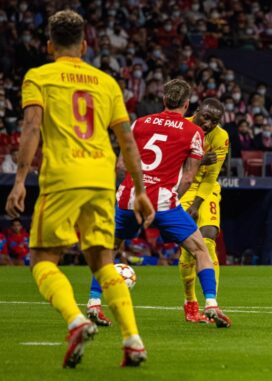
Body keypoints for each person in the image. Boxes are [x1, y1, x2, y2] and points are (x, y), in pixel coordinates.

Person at [4, 10, 155, 368]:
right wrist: (141, 190)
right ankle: (133, 341)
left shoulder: (39, 76)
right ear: (85, 45)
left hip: (63, 176)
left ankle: (75, 320)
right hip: (102, 176)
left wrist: (20, 178)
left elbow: (31, 127)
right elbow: (127, 142)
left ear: (49, 45)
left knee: (43, 259)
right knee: (103, 261)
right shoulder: (106, 83)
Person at [87, 81, 231, 329]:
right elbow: (188, 177)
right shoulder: (192, 132)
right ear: (187, 105)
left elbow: (121, 166)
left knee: (109, 249)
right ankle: (211, 305)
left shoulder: (139, 122)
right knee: (200, 250)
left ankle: (93, 303)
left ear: (164, 100)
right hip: (163, 201)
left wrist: (130, 190)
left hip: (129, 196)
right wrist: (170, 200)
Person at [178, 97, 230, 324]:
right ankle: (190, 300)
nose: (208, 124)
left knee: (209, 236)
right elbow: (171, 164)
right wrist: (197, 160)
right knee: (189, 248)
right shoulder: (181, 126)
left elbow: (211, 177)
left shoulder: (221, 137)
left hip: (206, 190)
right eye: (205, 117)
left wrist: (196, 205)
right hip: (181, 186)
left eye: (214, 121)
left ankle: (212, 304)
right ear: (197, 111)